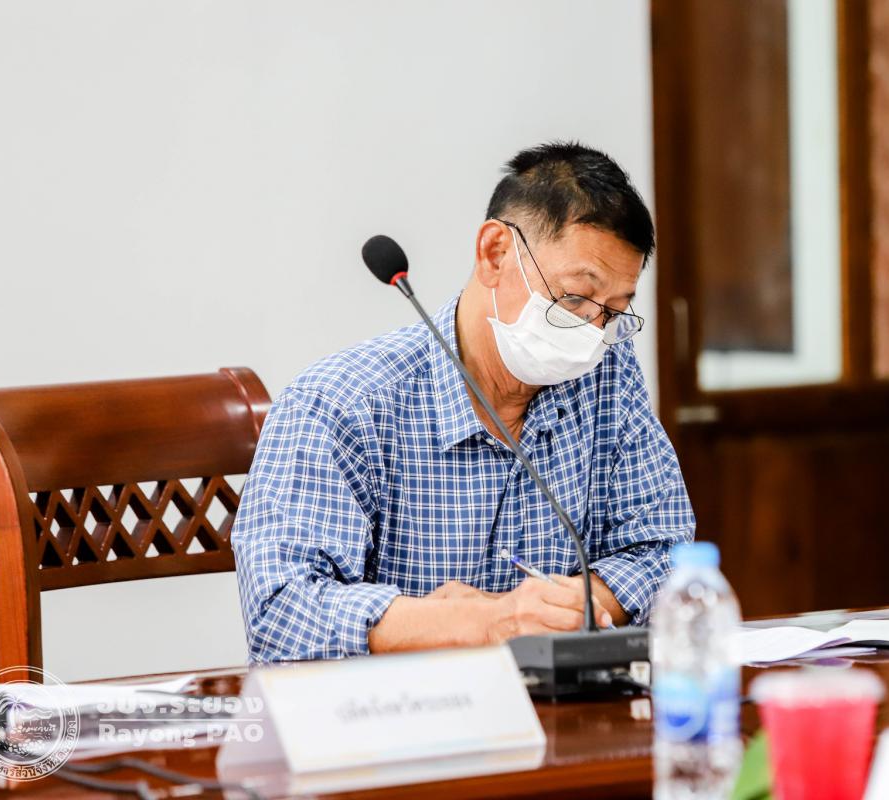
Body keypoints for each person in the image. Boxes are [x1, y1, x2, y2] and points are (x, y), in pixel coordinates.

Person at [232, 141, 695, 661]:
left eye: (613, 310)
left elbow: (666, 551)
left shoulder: (607, 371)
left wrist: (560, 611)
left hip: (559, 695)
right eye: (574, 298)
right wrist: (483, 623)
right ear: (495, 253)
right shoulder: (341, 403)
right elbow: (282, 613)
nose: (592, 332)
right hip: (401, 704)